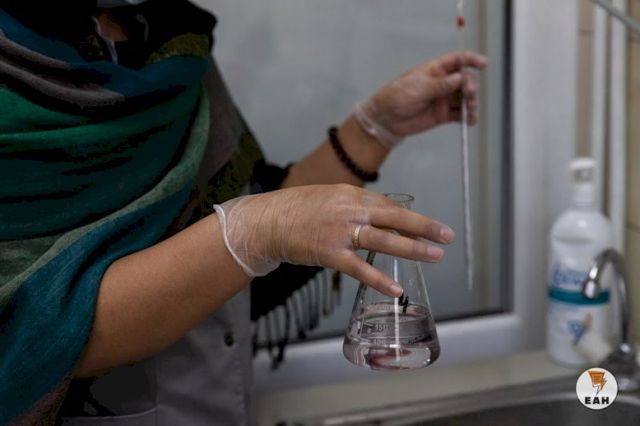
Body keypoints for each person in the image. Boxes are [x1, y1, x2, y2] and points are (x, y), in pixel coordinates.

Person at [0, 1, 486, 424]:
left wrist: (373, 128)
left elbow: (246, 243)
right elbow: (26, 330)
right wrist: (258, 230)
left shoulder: (171, 42)